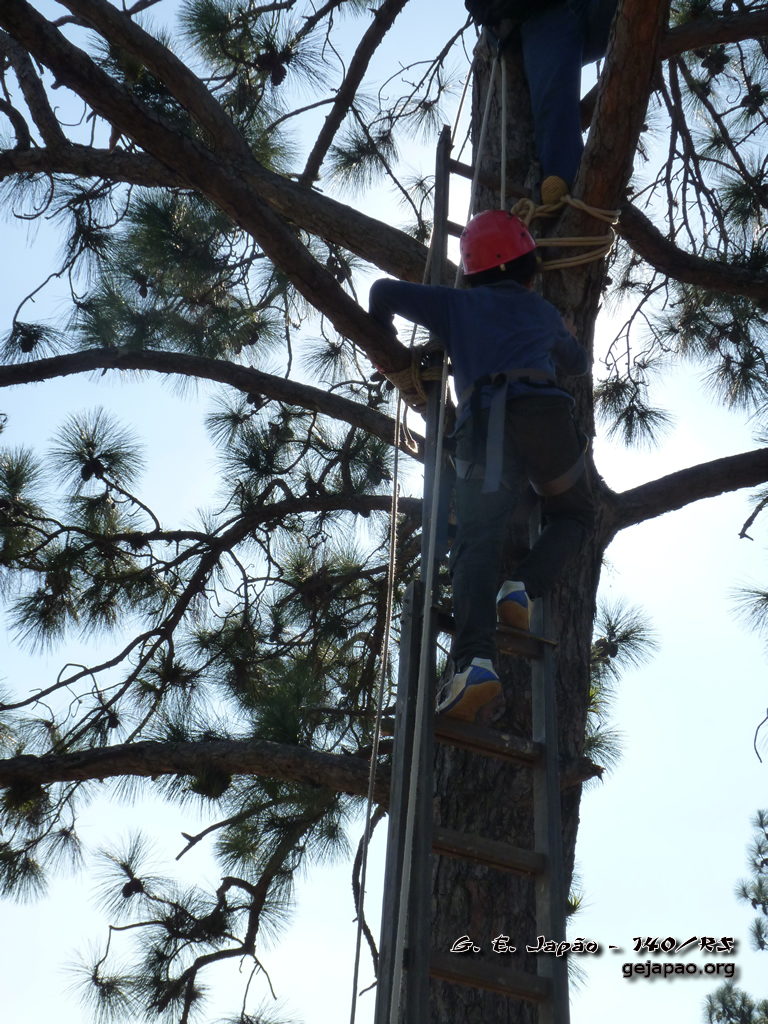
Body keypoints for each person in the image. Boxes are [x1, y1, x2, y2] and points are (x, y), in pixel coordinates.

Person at [368, 209, 595, 721]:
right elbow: (578, 364)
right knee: (576, 514)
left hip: (487, 426)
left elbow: (382, 292)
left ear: (472, 271)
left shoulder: (457, 305)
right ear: (528, 268)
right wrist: (563, 331)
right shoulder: (540, 310)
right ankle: (523, 587)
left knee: (477, 540)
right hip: (546, 417)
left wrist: (387, 349)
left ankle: (475, 664)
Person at [466, 0, 621, 204]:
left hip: (558, 15)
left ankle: (569, 191)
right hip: (543, 18)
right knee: (561, 178)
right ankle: (569, 193)